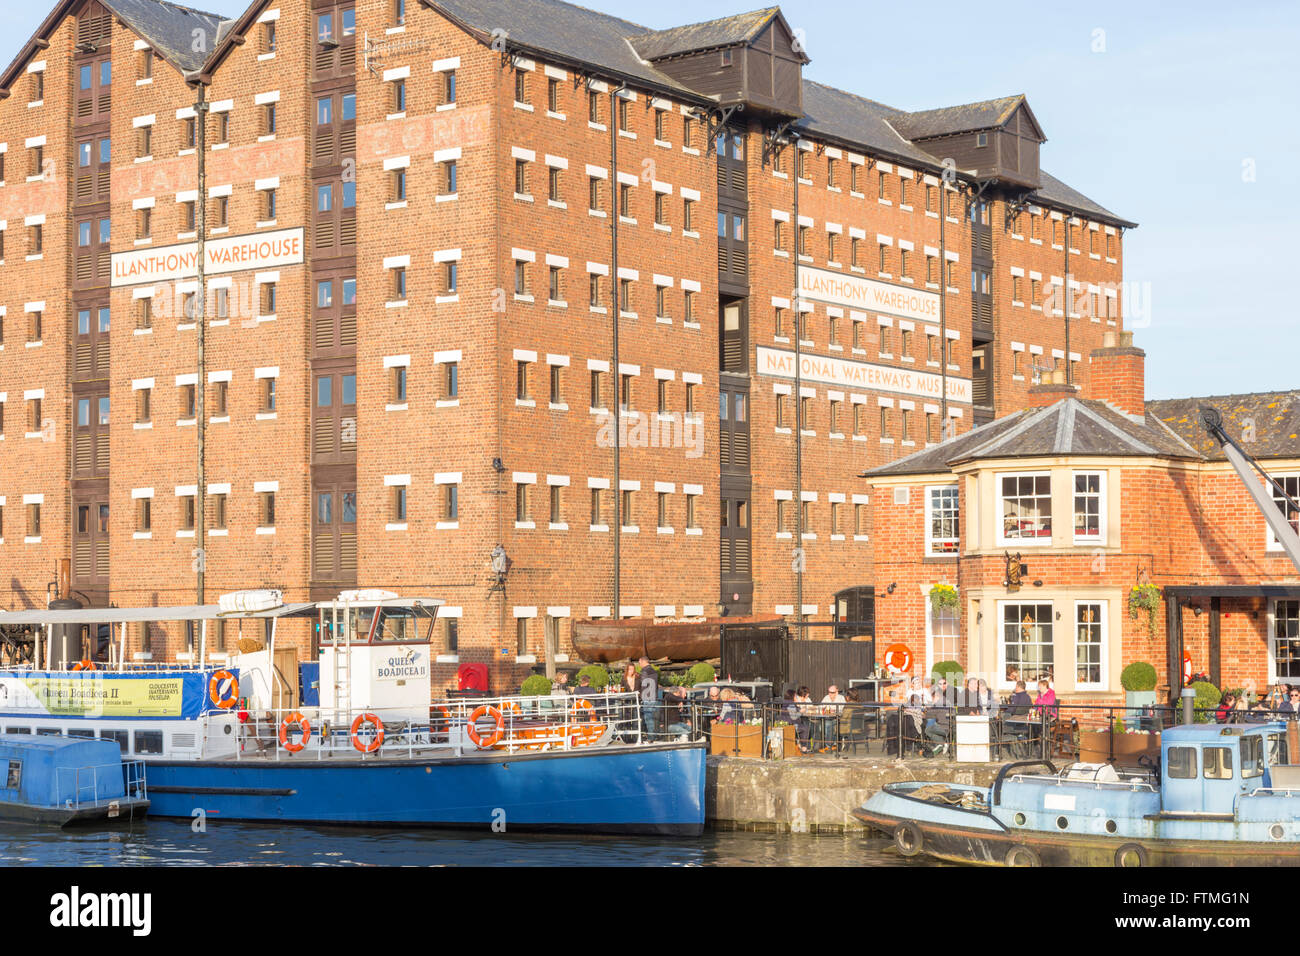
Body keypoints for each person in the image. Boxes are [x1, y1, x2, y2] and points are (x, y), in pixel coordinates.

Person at [635, 656, 660, 737]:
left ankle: (651, 737)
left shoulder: (645, 671)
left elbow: (643, 684)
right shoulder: (653, 671)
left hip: (647, 698)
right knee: (653, 719)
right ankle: (653, 736)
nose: (639, 665)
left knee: (648, 719)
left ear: (643, 661)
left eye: (639, 663)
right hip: (654, 697)